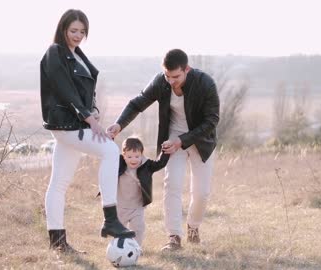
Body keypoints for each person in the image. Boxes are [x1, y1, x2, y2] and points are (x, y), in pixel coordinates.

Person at [40, 9, 135, 254]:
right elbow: (64, 90)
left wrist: (92, 110)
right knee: (111, 152)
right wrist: (89, 118)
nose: (78, 35)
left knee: (59, 184)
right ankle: (110, 219)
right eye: (73, 31)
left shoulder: (77, 55)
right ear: (63, 29)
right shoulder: (55, 53)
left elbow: (85, 92)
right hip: (68, 124)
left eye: (82, 31)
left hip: (75, 125)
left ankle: (58, 243)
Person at [107, 49, 220, 251]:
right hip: (171, 141)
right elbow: (137, 103)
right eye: (167, 76)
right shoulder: (161, 82)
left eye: (176, 76)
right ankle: (174, 236)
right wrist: (119, 125)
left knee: (202, 193)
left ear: (187, 69)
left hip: (201, 141)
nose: (171, 81)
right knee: (172, 185)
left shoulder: (205, 83)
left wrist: (183, 140)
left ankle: (193, 227)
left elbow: (212, 120)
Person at [116, 137, 169, 247]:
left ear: (142, 154)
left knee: (138, 229)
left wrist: (165, 150)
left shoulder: (147, 165)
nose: (133, 160)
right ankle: (119, 248)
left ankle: (136, 248)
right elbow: (107, 155)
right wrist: (109, 139)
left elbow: (160, 163)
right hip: (120, 206)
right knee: (118, 231)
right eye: (129, 156)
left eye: (137, 156)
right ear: (124, 155)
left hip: (137, 207)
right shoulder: (119, 163)